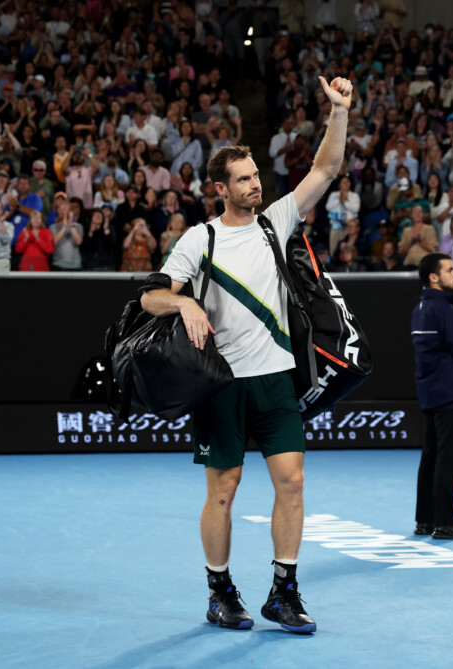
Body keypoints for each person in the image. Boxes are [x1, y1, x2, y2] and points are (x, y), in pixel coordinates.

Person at [140, 76, 355, 635]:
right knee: (224, 489)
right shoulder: (200, 239)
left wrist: (338, 112)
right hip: (224, 384)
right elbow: (150, 294)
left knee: (293, 482)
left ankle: (283, 591)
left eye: (257, 175)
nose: (255, 184)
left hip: (276, 378)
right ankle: (220, 590)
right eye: (243, 179)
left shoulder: (275, 221)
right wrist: (183, 306)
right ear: (220, 187)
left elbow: (325, 170)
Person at [410, 252, 453, 541]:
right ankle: (446, 522)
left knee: (431, 457)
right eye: (450, 270)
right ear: (434, 277)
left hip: (428, 392)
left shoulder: (420, 308)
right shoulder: (445, 310)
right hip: (449, 393)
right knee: (447, 458)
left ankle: (425, 520)